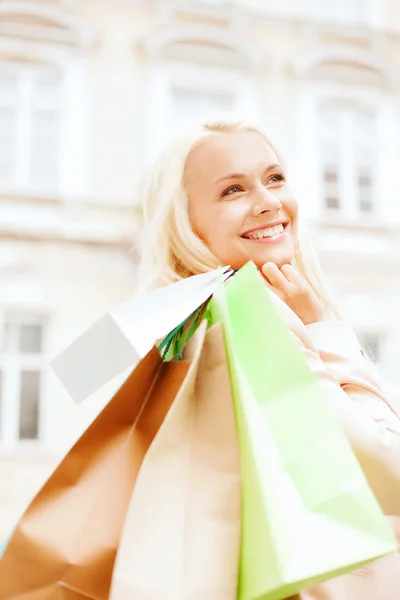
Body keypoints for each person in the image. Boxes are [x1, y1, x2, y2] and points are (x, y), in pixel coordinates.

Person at [138, 120, 400, 599]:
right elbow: (388, 471)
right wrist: (326, 333)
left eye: (274, 178)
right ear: (185, 220)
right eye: (233, 189)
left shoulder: (176, 326)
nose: (268, 202)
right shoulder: (250, 317)